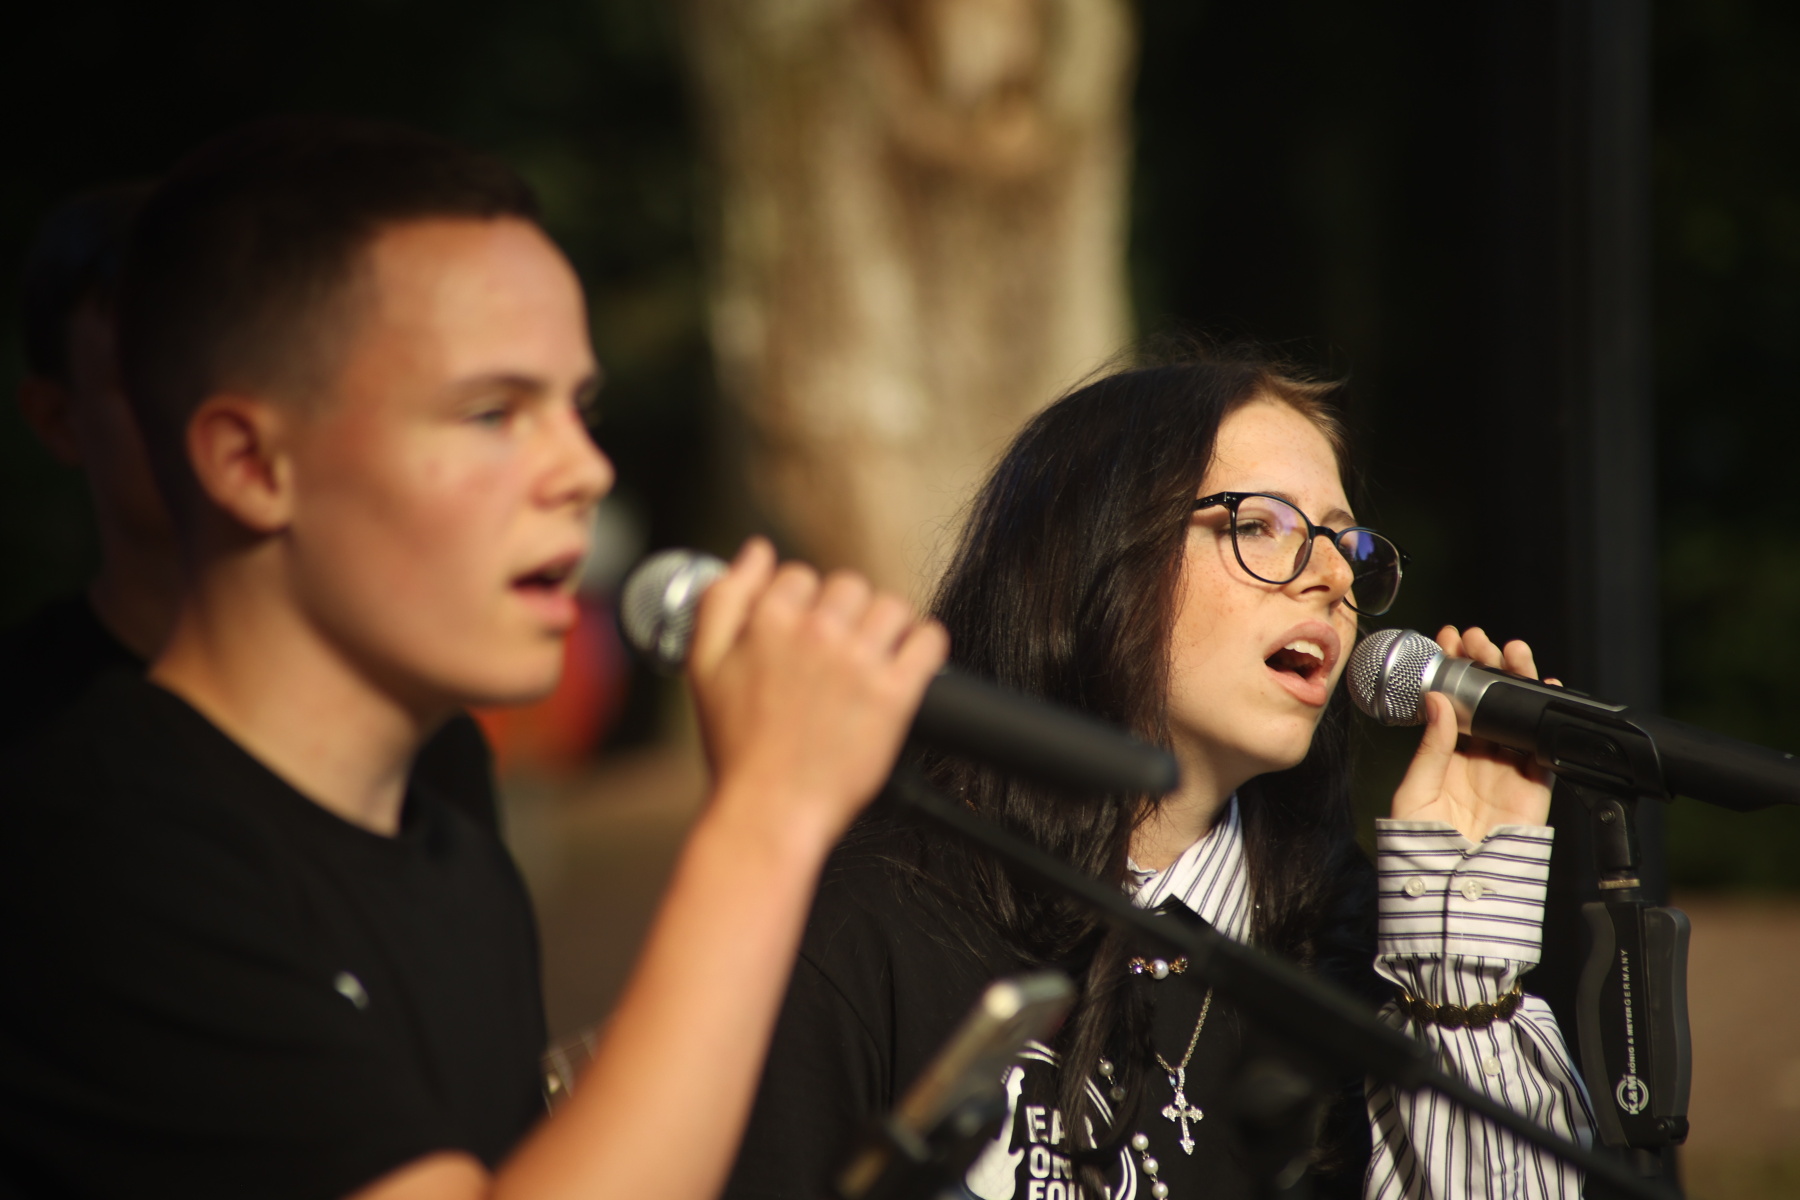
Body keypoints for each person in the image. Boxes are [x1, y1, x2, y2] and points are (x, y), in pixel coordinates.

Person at [0, 116, 947, 1200]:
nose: (584, 470)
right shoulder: (86, 853)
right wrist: (767, 817)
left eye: (579, 409)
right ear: (251, 463)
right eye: (493, 412)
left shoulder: (450, 843)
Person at [723, 355, 1594, 1200]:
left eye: (1347, 543)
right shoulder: (876, 915)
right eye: (1261, 526)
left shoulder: (1349, 944)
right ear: (1096, 556)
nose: (1334, 578)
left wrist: (1460, 956)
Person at [5, 182, 500, 830]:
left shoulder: (420, 738)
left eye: (240, 369)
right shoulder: (28, 729)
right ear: (56, 418)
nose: (210, 416)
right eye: (150, 379)